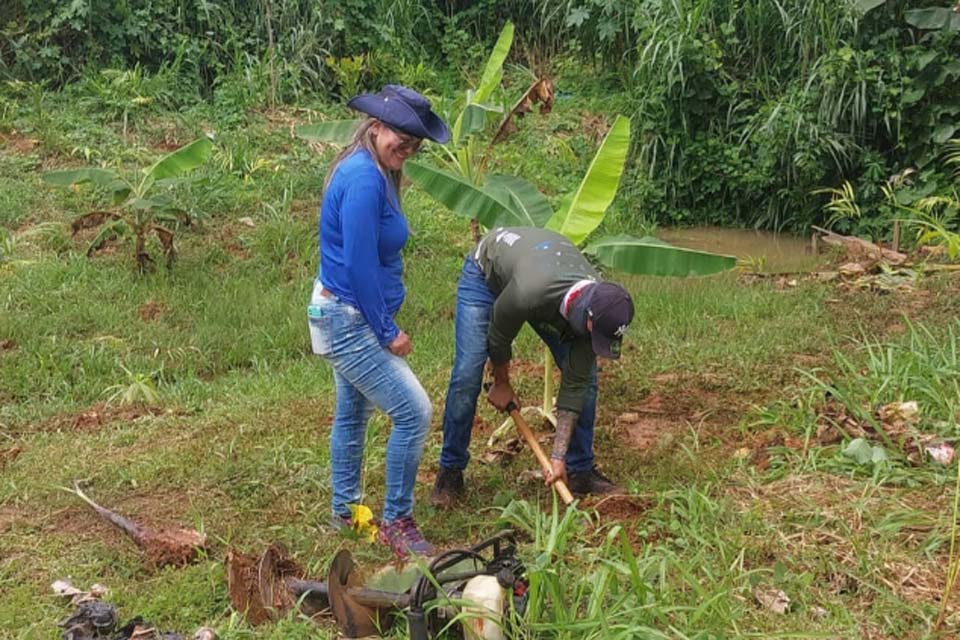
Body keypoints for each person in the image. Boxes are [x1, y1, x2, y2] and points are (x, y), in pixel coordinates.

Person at [307, 85, 450, 557]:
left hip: (348, 310)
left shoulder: (377, 170)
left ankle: (344, 511)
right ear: (376, 127)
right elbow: (359, 267)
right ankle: (397, 521)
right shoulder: (365, 179)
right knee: (415, 411)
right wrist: (388, 332)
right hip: (349, 318)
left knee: (352, 412)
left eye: (414, 144)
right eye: (399, 139)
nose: (406, 150)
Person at [431, 227, 635, 507]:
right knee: (467, 374)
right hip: (487, 275)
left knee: (586, 380)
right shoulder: (532, 291)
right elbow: (499, 335)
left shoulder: (601, 308)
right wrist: (502, 383)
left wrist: (557, 456)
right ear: (587, 320)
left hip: (543, 284)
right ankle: (450, 470)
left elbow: (575, 383)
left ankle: (580, 470)